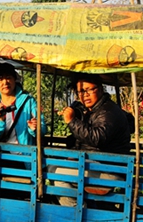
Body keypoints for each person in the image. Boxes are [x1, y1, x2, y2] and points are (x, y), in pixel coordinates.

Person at [53, 74, 131, 206]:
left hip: (109, 170)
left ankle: (78, 214)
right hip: (95, 165)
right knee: (53, 167)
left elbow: (97, 138)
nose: (85, 95)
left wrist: (72, 121)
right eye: (81, 91)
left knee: (58, 173)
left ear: (100, 89)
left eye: (90, 90)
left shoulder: (109, 111)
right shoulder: (89, 110)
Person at [0, 63, 44, 144]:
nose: (5, 82)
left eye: (8, 77)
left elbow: (43, 130)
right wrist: (0, 120)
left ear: (14, 79)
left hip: (26, 155)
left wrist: (34, 128)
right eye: (0, 79)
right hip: (2, 155)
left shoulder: (29, 101)